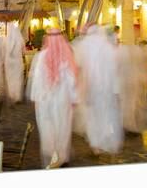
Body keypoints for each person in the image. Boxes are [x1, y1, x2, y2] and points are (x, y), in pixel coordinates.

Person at [27, 28, 78, 168]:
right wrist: (74, 98)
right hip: (62, 100)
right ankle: (60, 155)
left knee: (47, 126)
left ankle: (52, 154)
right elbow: (72, 81)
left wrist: (36, 98)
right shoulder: (67, 56)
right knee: (63, 126)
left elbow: (37, 80)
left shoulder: (41, 56)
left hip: (45, 100)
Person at [73, 25, 123, 156]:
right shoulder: (107, 47)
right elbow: (115, 67)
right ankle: (104, 141)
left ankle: (95, 145)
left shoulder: (84, 45)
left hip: (91, 87)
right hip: (106, 89)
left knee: (92, 116)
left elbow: (79, 67)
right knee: (105, 115)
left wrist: (80, 87)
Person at [4, 22, 25, 104]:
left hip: (9, 62)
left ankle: (12, 95)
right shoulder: (20, 39)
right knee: (18, 78)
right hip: (18, 62)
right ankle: (17, 96)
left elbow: (5, 51)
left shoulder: (7, 39)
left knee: (10, 79)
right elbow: (23, 52)